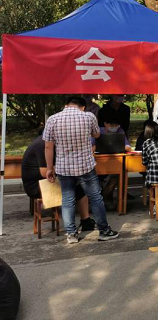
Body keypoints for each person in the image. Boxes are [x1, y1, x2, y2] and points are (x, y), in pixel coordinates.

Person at [43, 96, 119, 244]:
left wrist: (49, 168)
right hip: (85, 166)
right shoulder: (89, 116)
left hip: (64, 167)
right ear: (83, 107)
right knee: (95, 197)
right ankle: (104, 231)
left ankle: (72, 234)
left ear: (66, 105)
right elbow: (97, 134)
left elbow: (48, 146)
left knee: (67, 200)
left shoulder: (52, 119)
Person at [22, 134, 95, 232]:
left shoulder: (48, 143)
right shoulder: (42, 145)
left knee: (79, 185)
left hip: (46, 181)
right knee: (77, 188)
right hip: (36, 186)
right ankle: (80, 224)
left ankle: (85, 221)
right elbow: (44, 172)